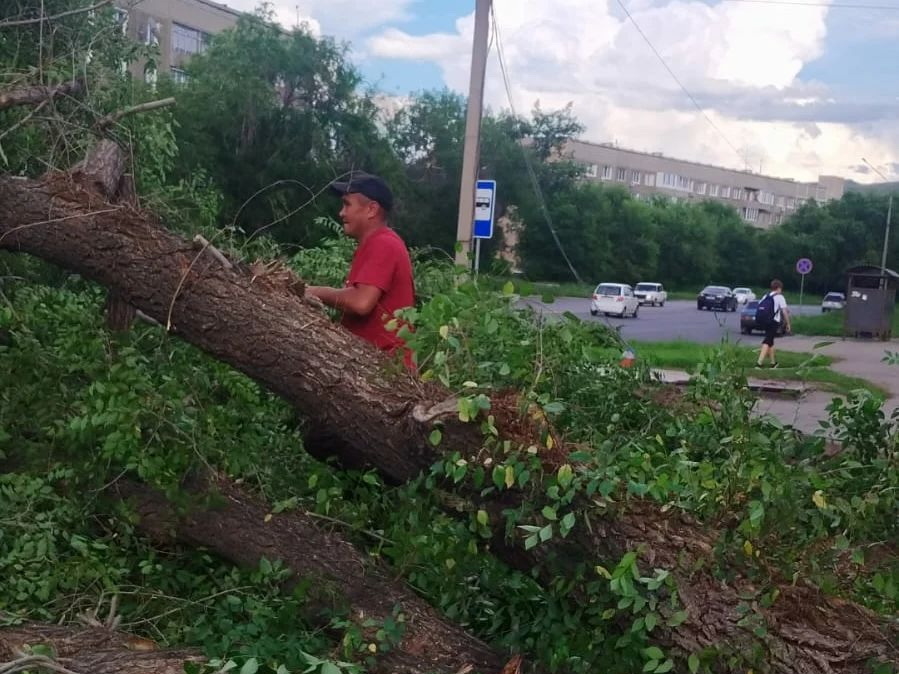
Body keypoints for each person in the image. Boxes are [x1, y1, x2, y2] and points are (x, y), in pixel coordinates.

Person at [305, 172, 415, 362]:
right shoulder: (376, 243)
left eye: (347, 204)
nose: (341, 213)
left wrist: (314, 291)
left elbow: (361, 303)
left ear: (371, 209)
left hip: (385, 370)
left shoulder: (384, 244)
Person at [757, 279, 791, 368]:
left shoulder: (766, 296)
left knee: (770, 341)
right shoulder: (780, 297)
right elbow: (784, 312)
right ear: (779, 288)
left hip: (764, 320)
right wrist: (788, 324)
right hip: (773, 321)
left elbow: (760, 306)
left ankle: (773, 363)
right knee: (767, 341)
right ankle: (759, 363)